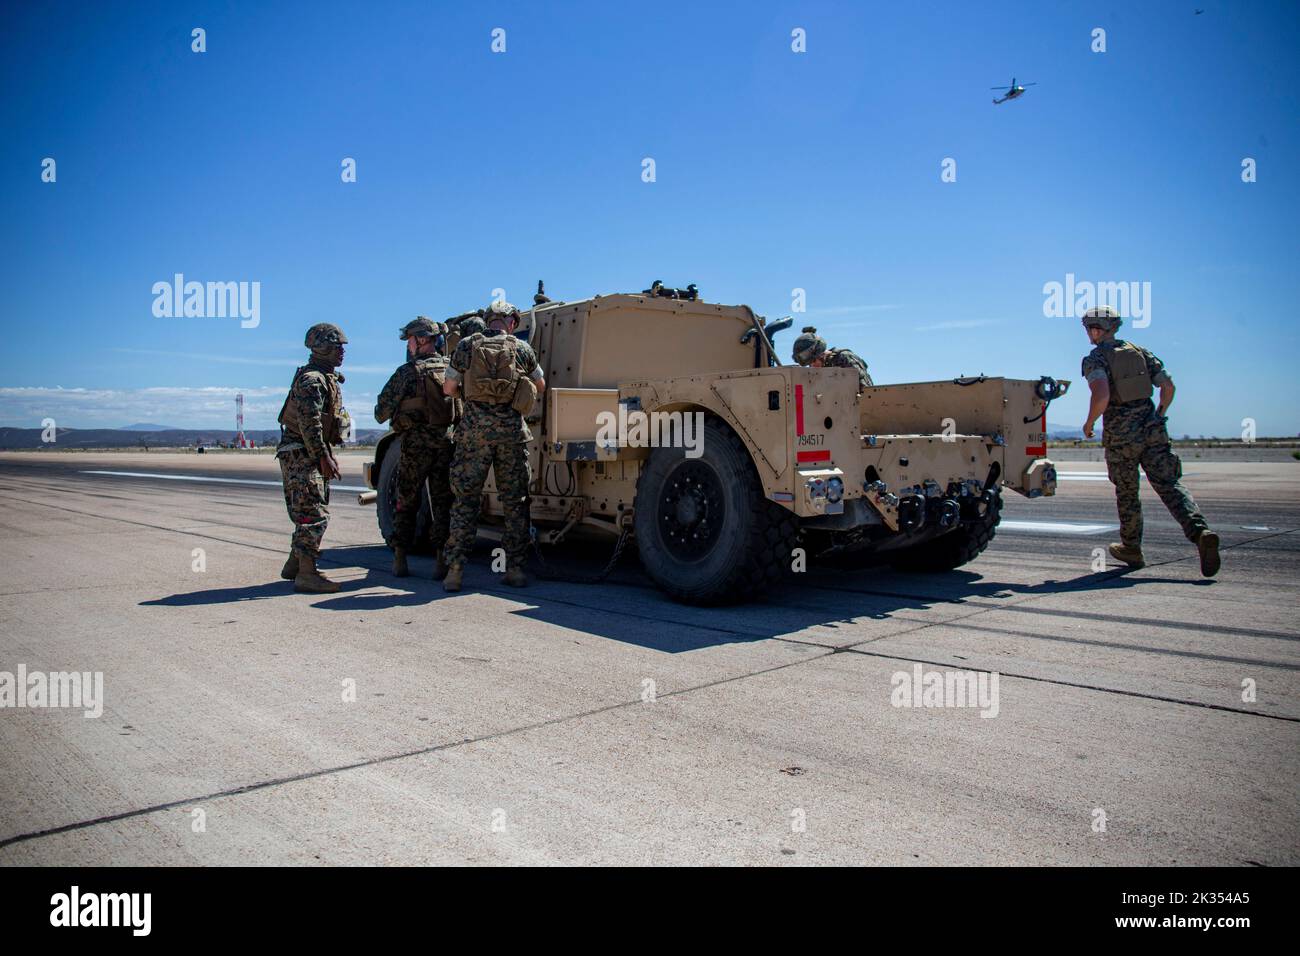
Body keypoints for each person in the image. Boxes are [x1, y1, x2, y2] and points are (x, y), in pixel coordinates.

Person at [1080, 305, 1219, 576]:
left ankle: (1132, 548)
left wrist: (1089, 423)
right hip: (1152, 429)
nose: (1089, 332)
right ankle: (1200, 532)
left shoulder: (1095, 359)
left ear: (1098, 329)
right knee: (1169, 484)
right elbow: (1167, 386)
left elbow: (1102, 395)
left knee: (1128, 492)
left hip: (1122, 435)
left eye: (1090, 327)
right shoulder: (1141, 352)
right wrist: (1159, 414)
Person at [440, 300, 546, 591]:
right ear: (512, 322)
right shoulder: (522, 350)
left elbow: (448, 389)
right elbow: (541, 386)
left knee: (465, 500)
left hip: (473, 435)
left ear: (488, 321)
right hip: (511, 435)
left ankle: (455, 571)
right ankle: (514, 569)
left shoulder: (465, 346)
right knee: (515, 502)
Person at [374, 317, 458, 579]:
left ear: (422, 340)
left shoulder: (407, 373)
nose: (409, 345)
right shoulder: (452, 369)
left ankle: (400, 558)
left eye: (410, 340)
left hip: (414, 447)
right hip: (445, 444)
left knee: (406, 501)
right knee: (443, 503)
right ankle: (441, 562)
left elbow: (381, 412)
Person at [277, 323, 351, 593]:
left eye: (341, 346)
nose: (341, 351)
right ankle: (307, 574)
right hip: (301, 452)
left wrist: (325, 453)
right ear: (320, 348)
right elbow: (310, 422)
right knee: (313, 513)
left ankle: (295, 564)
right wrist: (322, 456)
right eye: (335, 346)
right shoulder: (313, 380)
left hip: (307, 451)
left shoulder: (325, 378)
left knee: (309, 508)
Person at [791, 326, 874, 389]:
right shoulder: (818, 370)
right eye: (810, 364)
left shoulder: (844, 358)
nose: (812, 366)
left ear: (821, 354)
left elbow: (866, 391)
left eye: (814, 361)